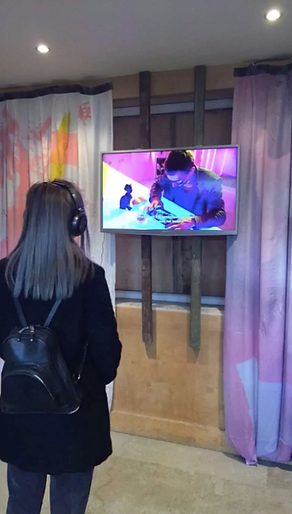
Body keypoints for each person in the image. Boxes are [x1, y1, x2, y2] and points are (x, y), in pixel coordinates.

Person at [0, 180, 122, 514]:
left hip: (21, 412)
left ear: (30, 219)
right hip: (76, 419)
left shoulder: (3, 275)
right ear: (75, 223)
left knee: (21, 503)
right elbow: (107, 360)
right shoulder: (91, 278)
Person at [149, 150, 226, 230]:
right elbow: (157, 184)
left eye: (178, 181)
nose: (173, 185)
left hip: (190, 224)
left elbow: (219, 215)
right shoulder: (171, 172)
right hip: (168, 217)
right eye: (171, 180)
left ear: (191, 171)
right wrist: (155, 198)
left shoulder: (211, 181)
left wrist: (194, 221)